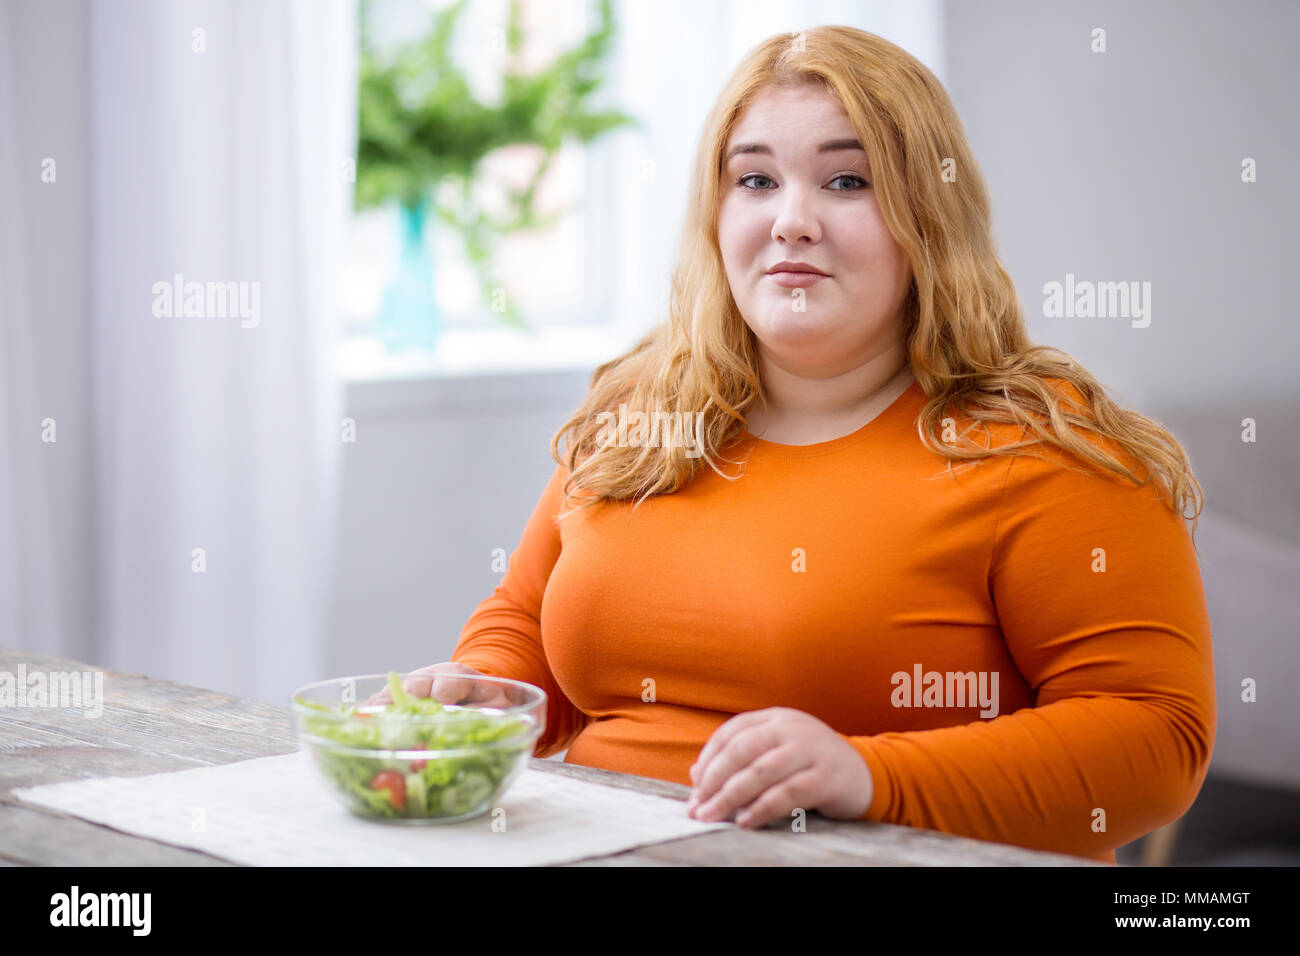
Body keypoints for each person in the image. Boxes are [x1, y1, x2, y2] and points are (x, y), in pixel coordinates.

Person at [370, 25, 1214, 865]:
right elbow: (524, 617)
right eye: (756, 180)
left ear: (930, 212)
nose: (792, 222)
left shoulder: (1043, 443)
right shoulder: (643, 400)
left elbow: (1155, 739)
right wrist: (487, 689)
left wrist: (868, 777)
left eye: (847, 180)